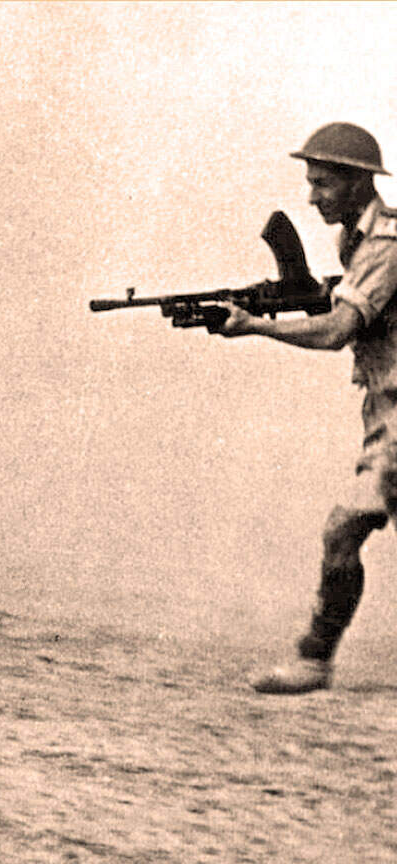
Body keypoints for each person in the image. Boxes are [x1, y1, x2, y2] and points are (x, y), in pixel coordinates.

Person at [219, 122, 397, 693]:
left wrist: (255, 327)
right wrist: (280, 297)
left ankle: (314, 659)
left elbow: (338, 330)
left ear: (355, 182)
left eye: (322, 183)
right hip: (384, 411)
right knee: (345, 532)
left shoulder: (385, 246)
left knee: (343, 529)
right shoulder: (358, 243)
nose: (312, 196)